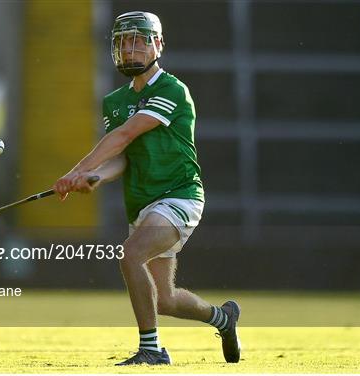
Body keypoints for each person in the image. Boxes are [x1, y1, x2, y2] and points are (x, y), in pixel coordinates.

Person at [53, 11, 241, 366]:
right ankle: (223, 319)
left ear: (158, 44)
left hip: (179, 196)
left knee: (129, 255)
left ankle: (152, 350)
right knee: (165, 300)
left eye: (138, 40)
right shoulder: (114, 102)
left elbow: (126, 134)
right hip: (142, 203)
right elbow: (122, 157)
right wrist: (96, 176)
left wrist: (78, 169)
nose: (130, 49)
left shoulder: (172, 90)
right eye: (123, 42)